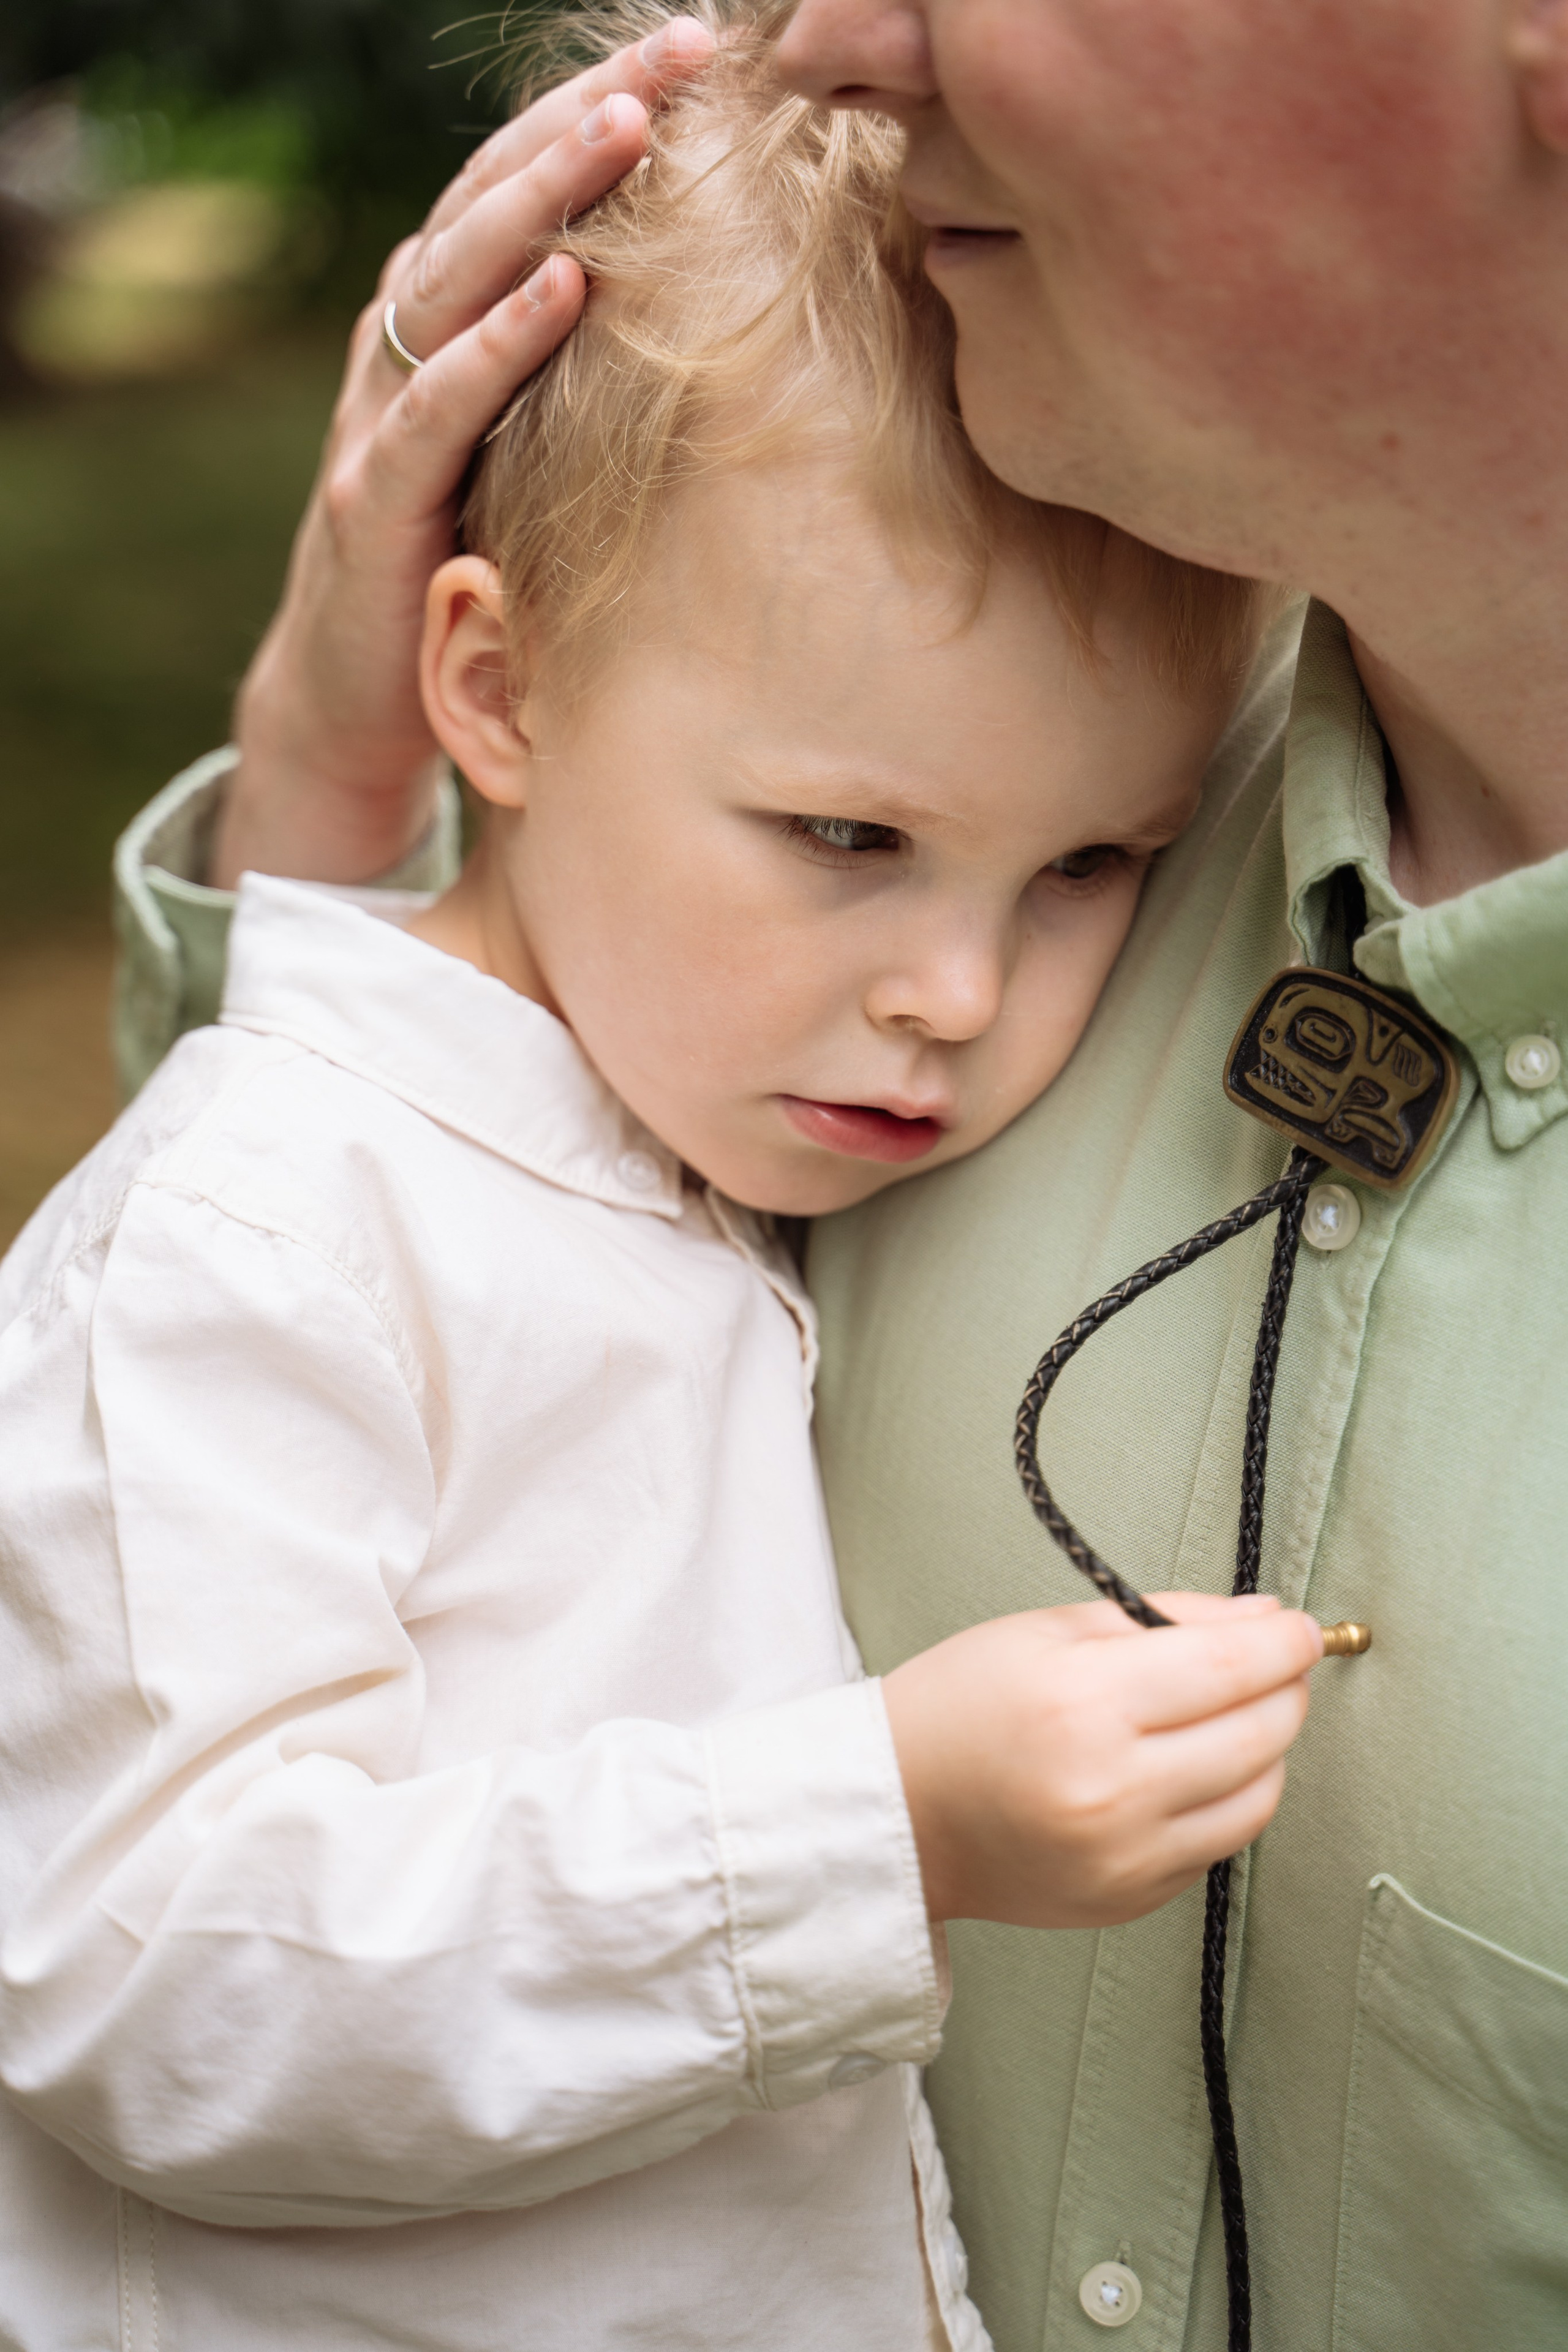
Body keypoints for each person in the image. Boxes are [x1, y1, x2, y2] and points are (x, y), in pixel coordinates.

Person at [43, 2, 1568, 2347]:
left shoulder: (736, 1075)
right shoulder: (319, 1214)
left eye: (1095, 871)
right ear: (496, 689)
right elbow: (141, 1964)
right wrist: (884, 1826)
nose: (959, 995)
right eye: (849, 840)